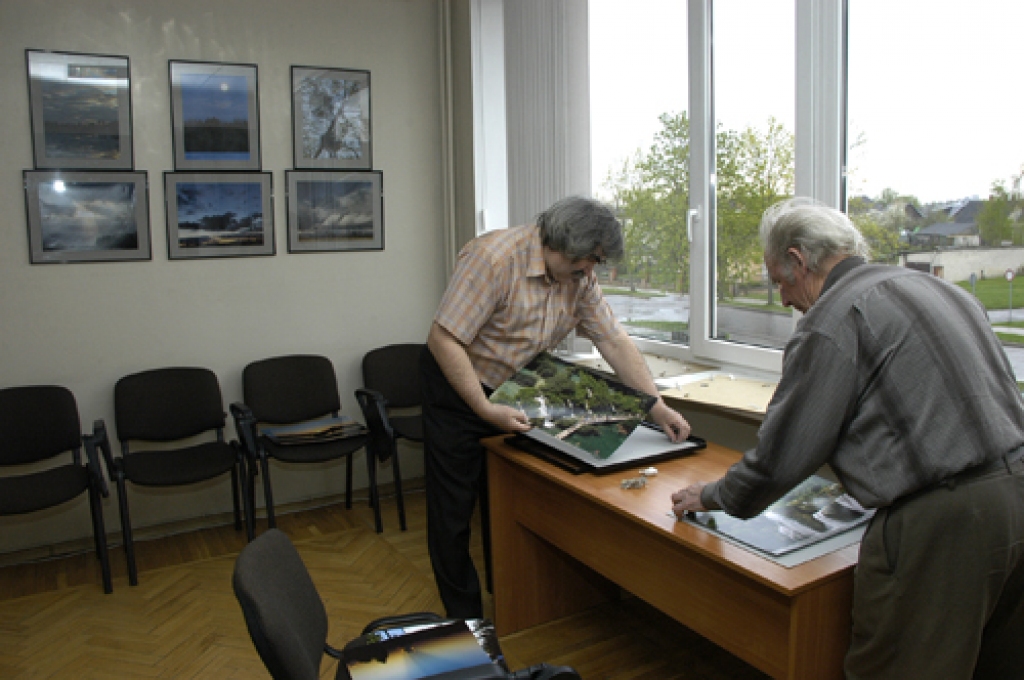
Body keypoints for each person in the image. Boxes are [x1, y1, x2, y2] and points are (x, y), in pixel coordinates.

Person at [670, 197, 1024, 679]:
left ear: (798, 259)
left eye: (779, 281)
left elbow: (782, 457)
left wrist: (714, 495)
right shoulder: (942, 290)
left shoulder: (833, 319)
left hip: (943, 522)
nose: (784, 300)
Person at [422, 195, 691, 619]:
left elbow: (614, 341)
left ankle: (513, 600)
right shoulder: (493, 258)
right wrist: (481, 406)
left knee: (508, 499)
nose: (592, 272)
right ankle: (465, 623)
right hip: (460, 387)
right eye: (589, 260)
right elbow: (444, 339)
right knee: (452, 516)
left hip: (517, 388)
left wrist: (655, 406)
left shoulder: (578, 277)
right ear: (562, 243)